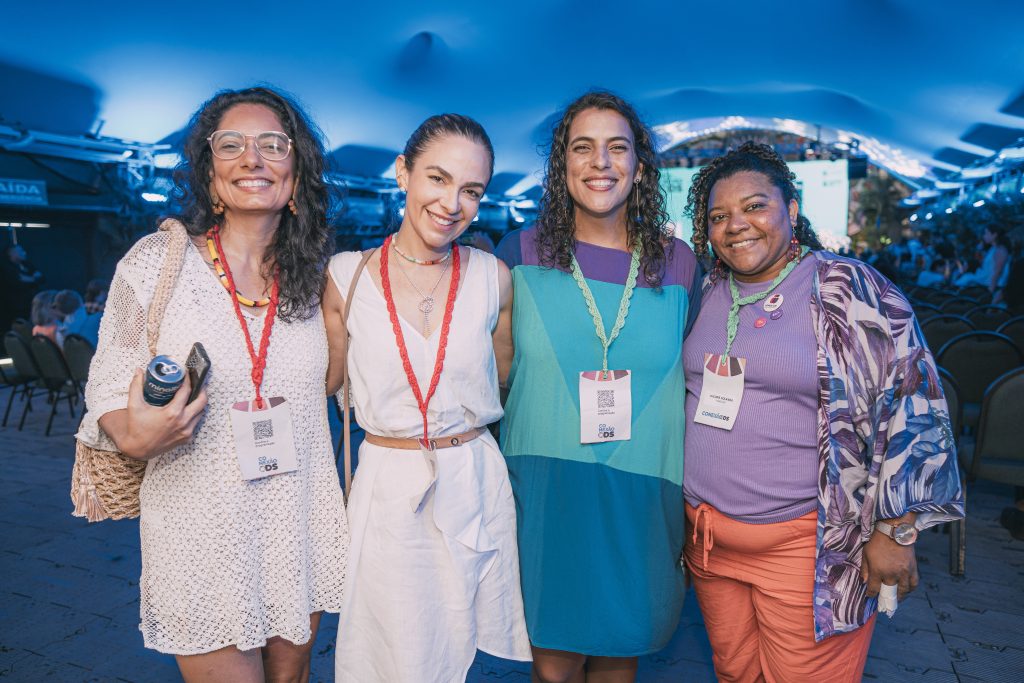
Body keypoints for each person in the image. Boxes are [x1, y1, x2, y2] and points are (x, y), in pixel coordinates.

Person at [77, 86, 349, 682]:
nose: (252, 159)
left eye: (272, 145)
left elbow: (339, 385)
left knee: (292, 676)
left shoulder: (316, 281)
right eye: (231, 144)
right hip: (201, 529)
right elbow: (106, 393)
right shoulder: (156, 263)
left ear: (297, 171)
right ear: (207, 168)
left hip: (297, 519)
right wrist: (139, 434)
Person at [681, 142, 964, 682]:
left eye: (755, 206)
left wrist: (897, 530)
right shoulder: (708, 289)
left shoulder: (846, 287)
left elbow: (914, 406)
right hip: (710, 546)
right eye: (719, 215)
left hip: (805, 550)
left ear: (791, 210)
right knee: (735, 675)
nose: (736, 225)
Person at [496, 91, 701, 683]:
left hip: (644, 482)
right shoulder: (521, 252)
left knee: (622, 643)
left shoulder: (679, 262)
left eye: (618, 147)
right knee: (553, 657)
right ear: (563, 165)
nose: (601, 162)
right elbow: (492, 372)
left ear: (639, 165)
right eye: (582, 148)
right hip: (546, 479)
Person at [323, 114, 530, 682]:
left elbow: (505, 378)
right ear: (403, 172)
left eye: (472, 190)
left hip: (471, 476)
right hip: (388, 481)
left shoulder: (493, 276)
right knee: (393, 647)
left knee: (459, 645)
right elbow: (319, 380)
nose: (452, 203)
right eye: (437, 179)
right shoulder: (347, 276)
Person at [954, 225, 1011, 301]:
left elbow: (997, 272)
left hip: (990, 287)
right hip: (984, 285)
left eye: (986, 233)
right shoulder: (993, 249)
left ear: (994, 235)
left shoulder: (1000, 250)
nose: (984, 236)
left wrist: (990, 293)